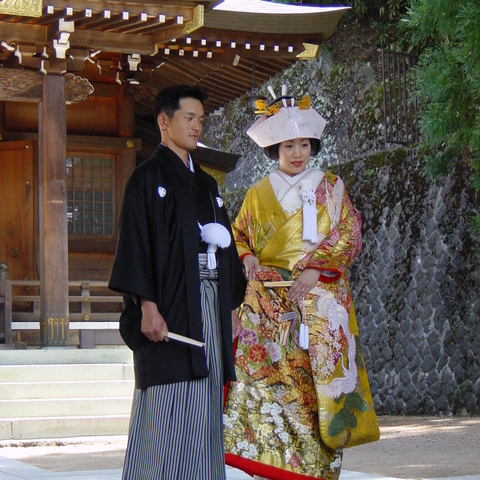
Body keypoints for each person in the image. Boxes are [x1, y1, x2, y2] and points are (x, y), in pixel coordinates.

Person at [223, 86, 379, 480]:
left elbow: (350, 232)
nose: (297, 153)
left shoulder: (331, 186)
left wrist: (317, 270)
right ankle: (271, 464)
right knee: (271, 385)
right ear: (274, 149)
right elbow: (239, 234)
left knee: (315, 389)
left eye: (305, 145)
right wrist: (248, 256)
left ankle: (315, 468)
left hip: (317, 299)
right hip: (270, 306)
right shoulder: (258, 194)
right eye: (289, 145)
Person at [109, 85, 247, 480]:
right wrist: (146, 306)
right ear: (165, 122)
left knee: (205, 407)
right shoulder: (146, 179)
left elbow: (225, 248)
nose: (197, 126)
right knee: (167, 406)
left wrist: (230, 309)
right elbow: (136, 245)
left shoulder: (206, 184)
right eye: (190, 118)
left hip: (208, 304)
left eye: (201, 119)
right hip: (169, 309)